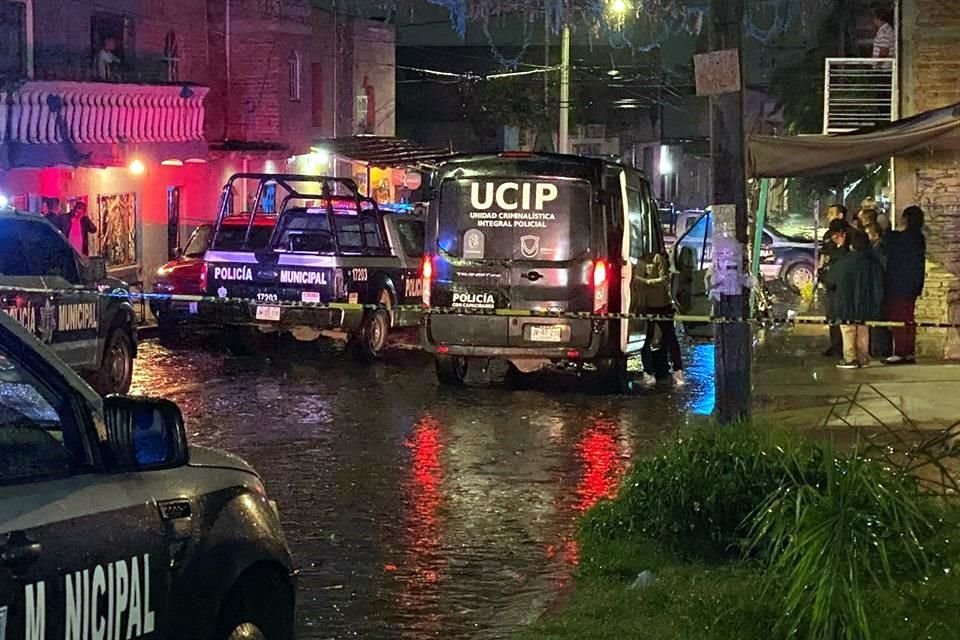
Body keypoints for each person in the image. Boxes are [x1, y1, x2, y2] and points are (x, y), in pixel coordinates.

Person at [824, 228, 885, 369]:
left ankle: (850, 358)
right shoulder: (873, 262)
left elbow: (831, 280)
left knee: (848, 330)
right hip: (866, 304)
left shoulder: (844, 262)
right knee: (863, 330)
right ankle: (863, 357)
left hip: (846, 303)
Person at [883, 205, 926, 364]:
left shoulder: (904, 239)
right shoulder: (919, 237)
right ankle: (908, 351)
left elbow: (890, 243)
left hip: (899, 285)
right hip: (912, 285)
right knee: (908, 318)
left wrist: (888, 229)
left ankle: (901, 352)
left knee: (899, 319)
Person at [637, 252, 684, 387]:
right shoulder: (639, 260)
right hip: (647, 306)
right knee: (646, 339)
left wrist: (645, 281)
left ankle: (677, 371)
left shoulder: (658, 258)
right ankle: (649, 373)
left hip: (661, 305)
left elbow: (664, 279)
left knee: (669, 337)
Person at [819, 205, 848, 357]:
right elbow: (823, 255)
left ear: (841, 215)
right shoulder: (827, 235)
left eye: (832, 213)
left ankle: (846, 346)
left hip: (842, 282)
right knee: (831, 314)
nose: (828, 216)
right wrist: (820, 272)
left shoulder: (849, 234)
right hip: (829, 280)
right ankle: (835, 344)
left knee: (843, 314)